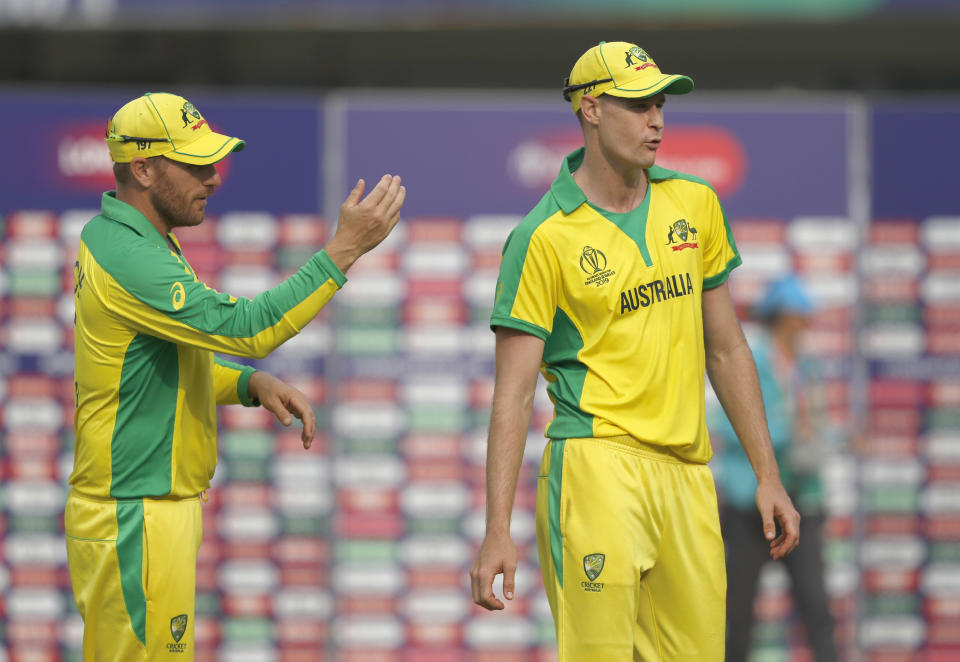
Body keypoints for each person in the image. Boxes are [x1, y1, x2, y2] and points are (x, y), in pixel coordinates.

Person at [469, 41, 800, 661]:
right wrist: (496, 530)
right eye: (639, 104)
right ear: (591, 109)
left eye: (661, 103)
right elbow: (512, 397)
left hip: (689, 477)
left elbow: (726, 349)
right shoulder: (542, 237)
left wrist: (768, 474)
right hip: (597, 471)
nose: (657, 119)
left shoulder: (694, 202)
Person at [66, 92, 405, 661]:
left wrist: (247, 385)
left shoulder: (135, 241)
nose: (214, 177)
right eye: (196, 164)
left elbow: (151, 368)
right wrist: (341, 251)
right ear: (143, 169)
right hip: (135, 515)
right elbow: (250, 329)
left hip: (146, 511)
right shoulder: (129, 253)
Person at [710, 275, 839, 662]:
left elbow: (812, 426)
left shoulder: (804, 363)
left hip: (798, 500)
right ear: (783, 318)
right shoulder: (749, 357)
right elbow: (730, 425)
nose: (806, 324)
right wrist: (786, 433)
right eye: (800, 316)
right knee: (738, 611)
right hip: (749, 505)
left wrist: (838, 439)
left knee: (817, 605)